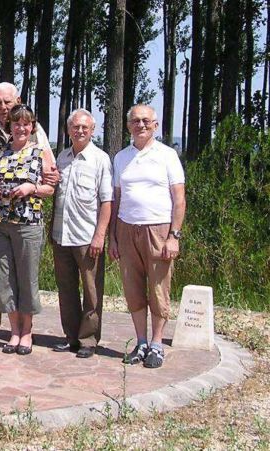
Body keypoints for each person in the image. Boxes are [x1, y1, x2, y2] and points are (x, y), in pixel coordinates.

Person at [0, 82, 56, 342]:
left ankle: (24, 331)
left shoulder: (36, 133)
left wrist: (37, 185)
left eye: (8, 102)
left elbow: (51, 174)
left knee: (25, 274)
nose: (4, 107)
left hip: (27, 218)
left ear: (18, 101)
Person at [109, 104, 186, 369]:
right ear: (128, 126)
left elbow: (179, 199)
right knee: (133, 290)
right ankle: (141, 342)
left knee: (158, 289)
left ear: (155, 125)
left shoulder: (167, 155)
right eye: (135, 121)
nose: (140, 125)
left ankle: (157, 344)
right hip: (127, 228)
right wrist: (113, 237)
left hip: (158, 230)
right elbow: (116, 199)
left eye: (145, 121)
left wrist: (174, 236)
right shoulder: (121, 158)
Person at [0, 104, 54, 355]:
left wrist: (31, 188)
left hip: (27, 224)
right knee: (4, 279)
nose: (21, 128)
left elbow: (50, 188)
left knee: (27, 278)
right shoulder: (0, 152)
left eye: (26, 124)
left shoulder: (40, 152)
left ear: (32, 127)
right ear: (10, 127)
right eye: (16, 124)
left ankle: (27, 332)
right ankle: (14, 332)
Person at [51, 109, 113, 358]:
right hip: (61, 235)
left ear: (92, 130)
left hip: (87, 237)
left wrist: (100, 236)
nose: (79, 131)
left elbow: (107, 201)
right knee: (66, 289)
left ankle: (88, 340)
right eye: (75, 127)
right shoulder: (62, 158)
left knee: (91, 291)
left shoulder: (100, 159)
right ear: (68, 130)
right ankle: (71, 337)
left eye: (84, 127)